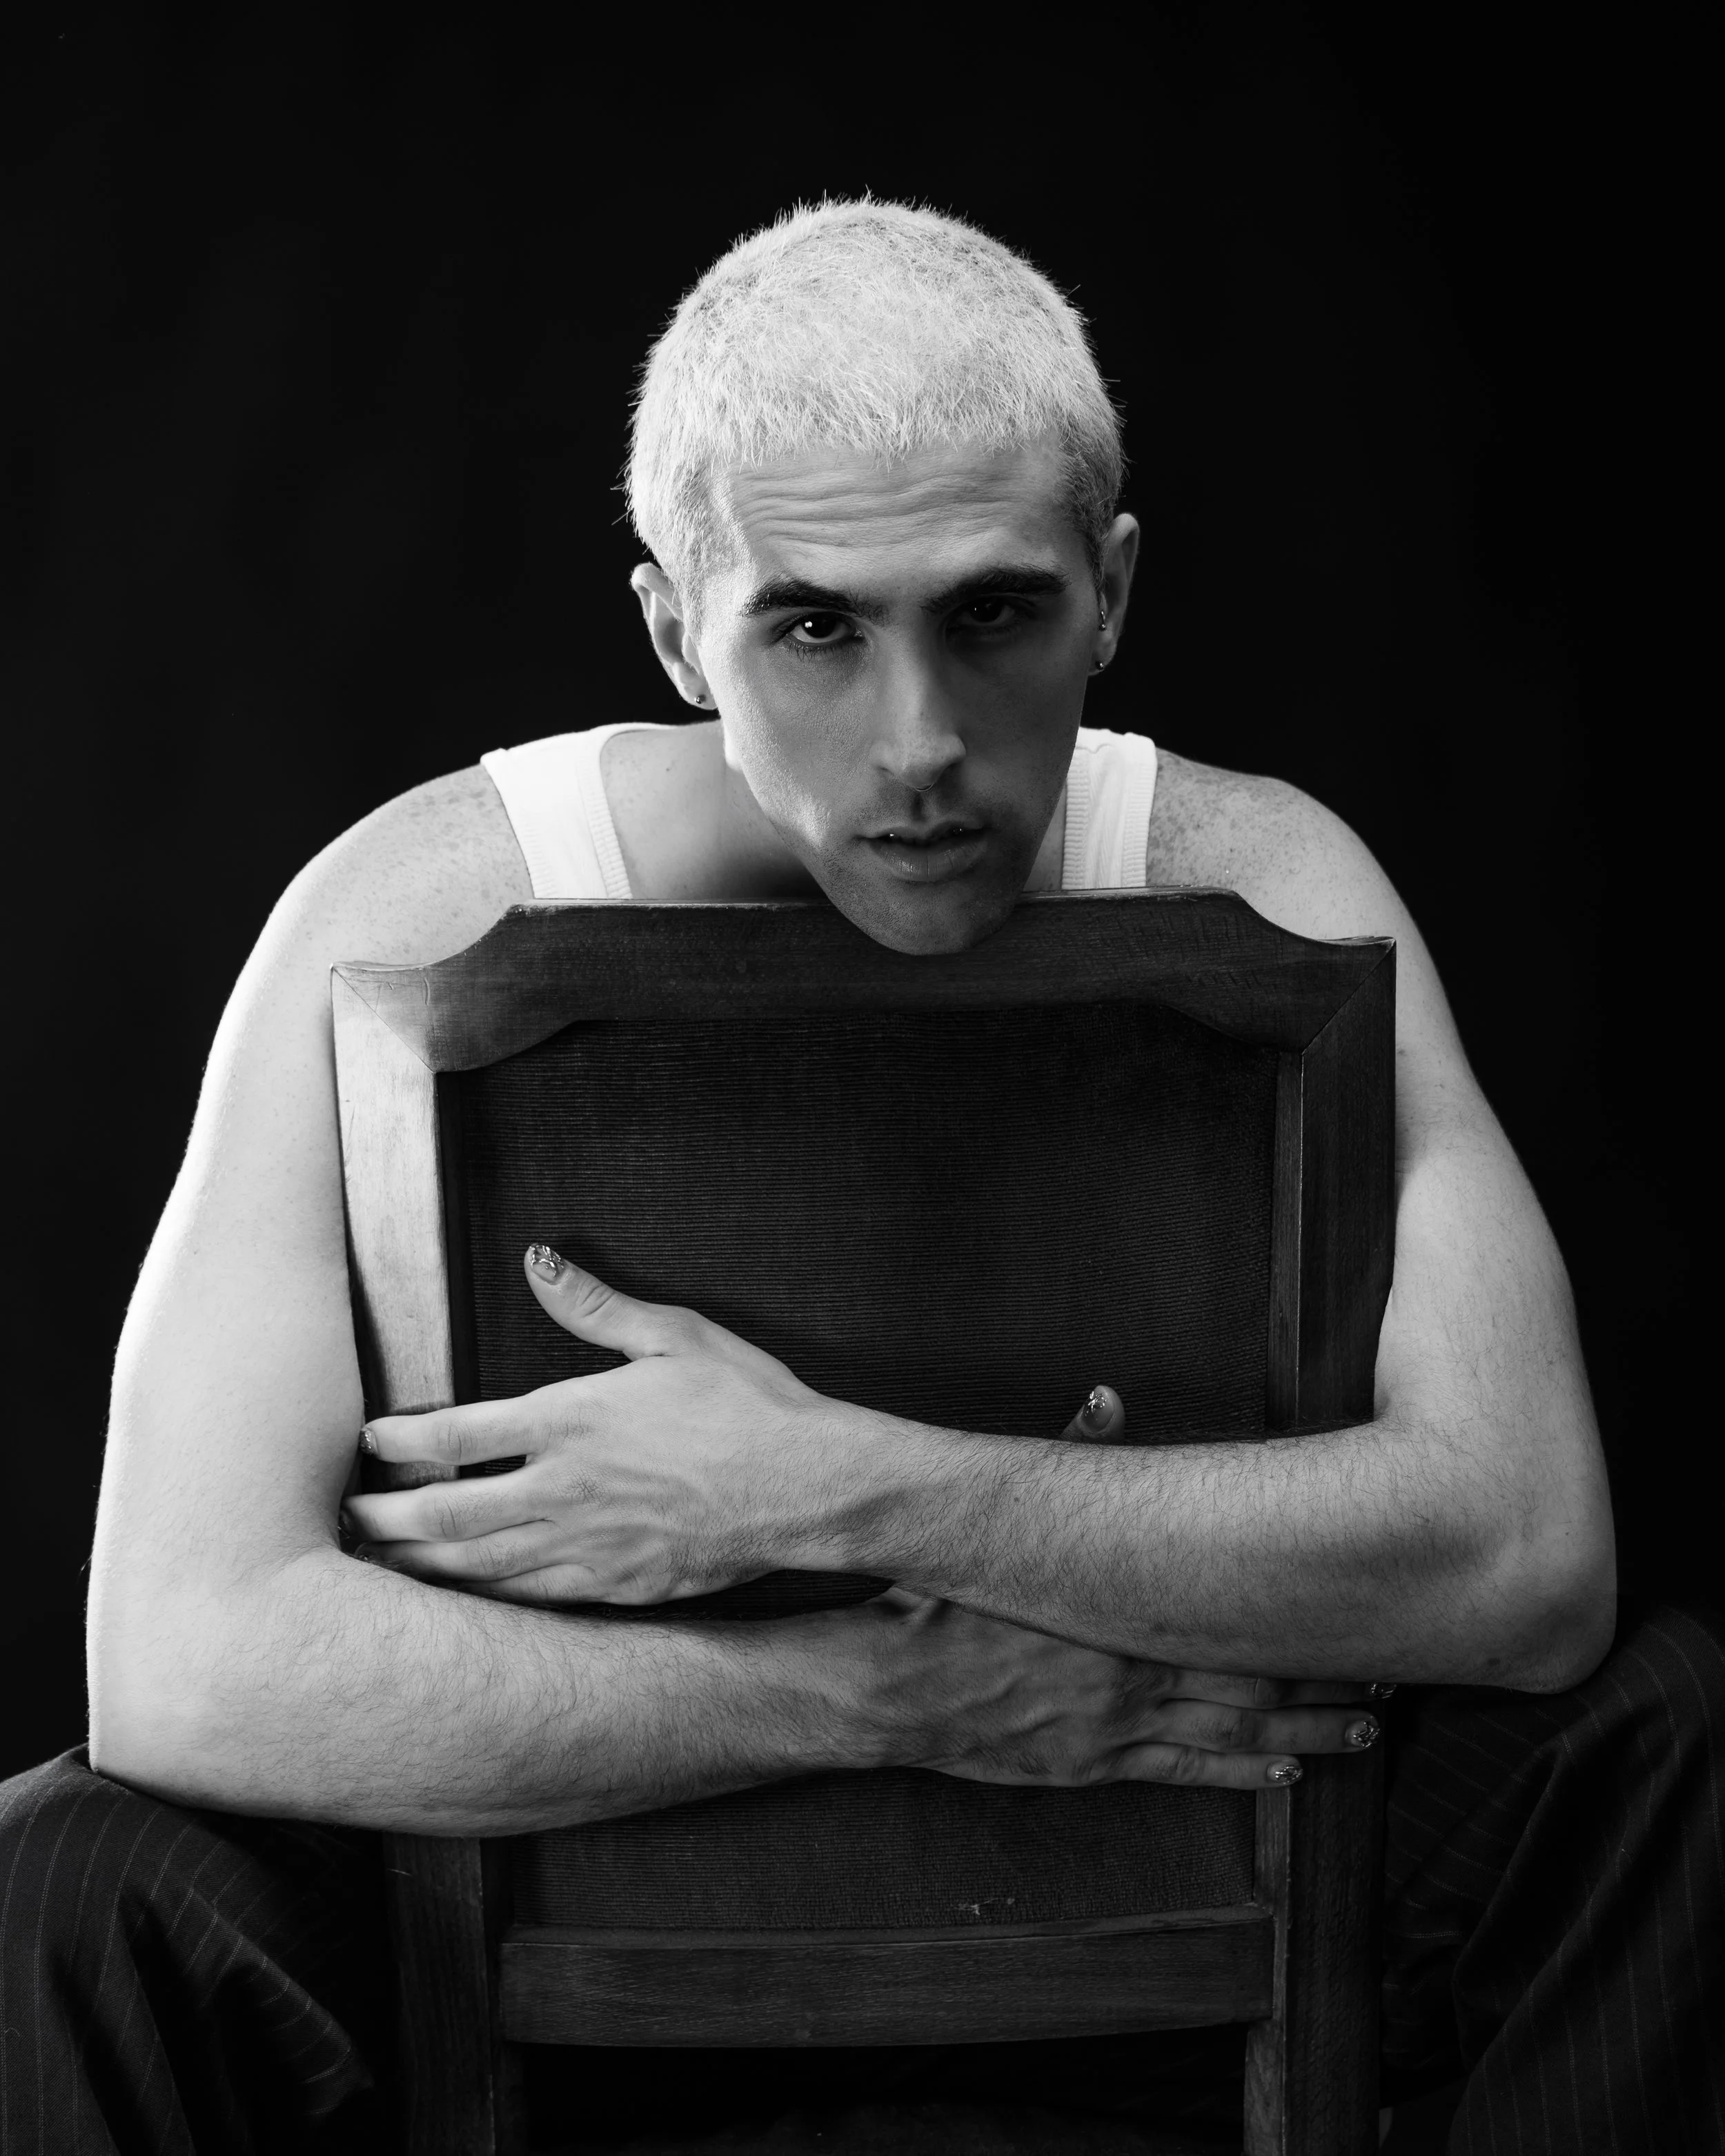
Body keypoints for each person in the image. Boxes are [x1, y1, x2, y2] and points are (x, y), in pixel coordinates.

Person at [1, 201, 1717, 2155]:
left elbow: (1526, 1554)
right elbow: (183, 1662)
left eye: (993, 616)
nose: (919, 745)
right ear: (678, 630)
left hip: (1171, 1903)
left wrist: (822, 1480)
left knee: (1659, 1732)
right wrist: (883, 1692)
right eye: (813, 626)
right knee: (62, 1874)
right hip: (546, 1956)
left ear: (1110, 590)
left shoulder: (1272, 890)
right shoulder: (404, 915)